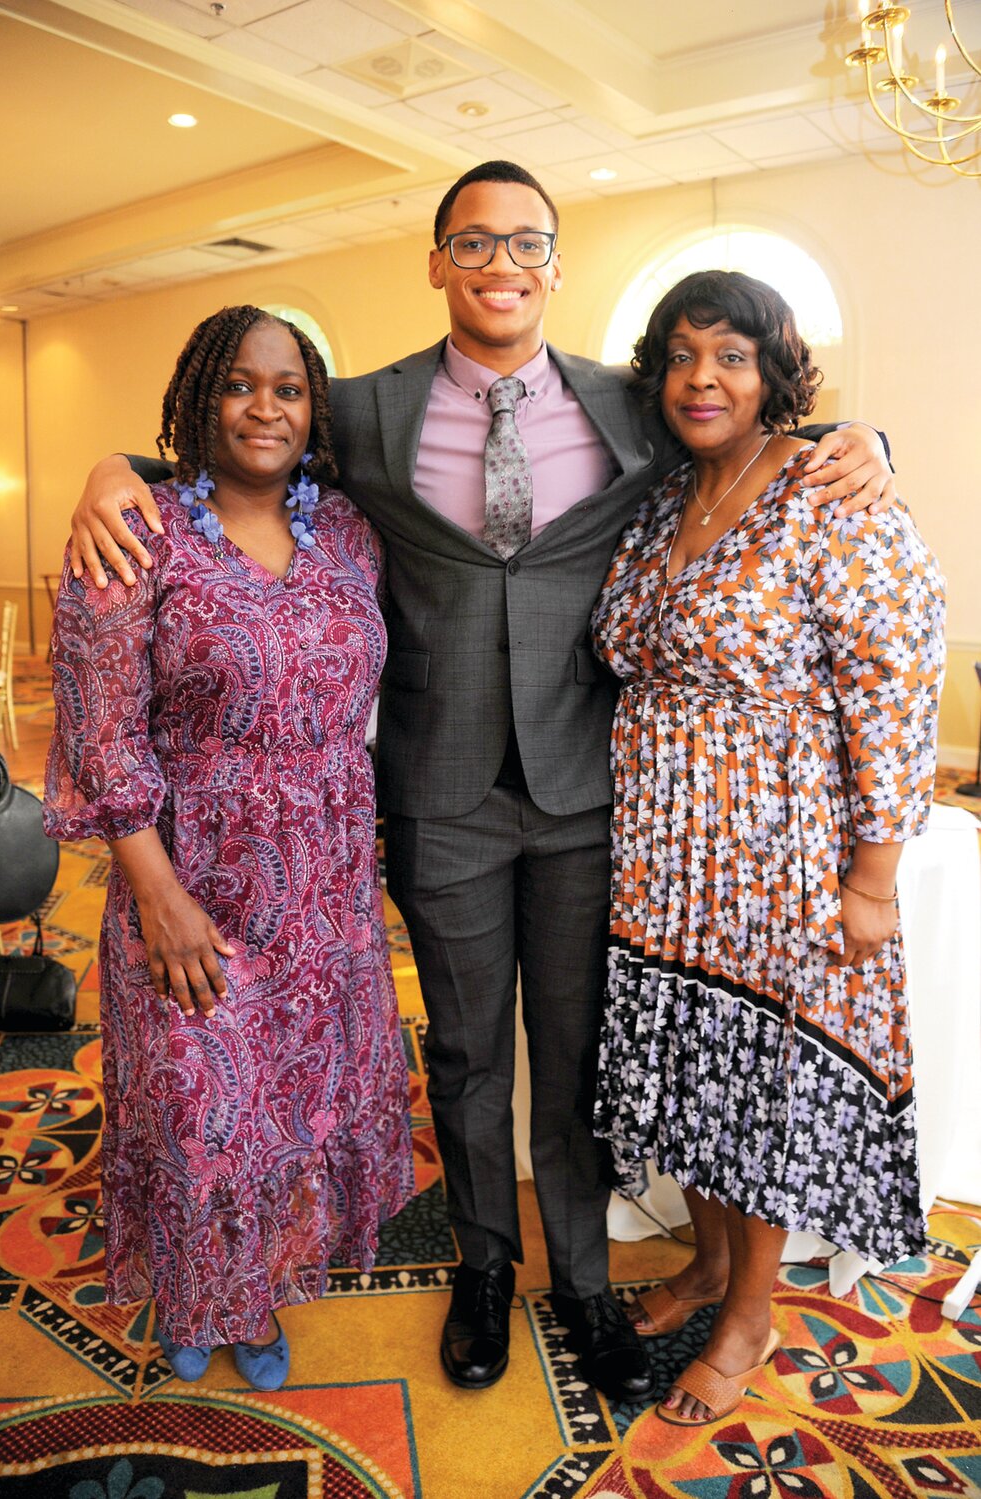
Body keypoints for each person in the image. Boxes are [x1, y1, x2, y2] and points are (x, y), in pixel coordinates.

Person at [67, 162, 895, 1402]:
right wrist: (109, 466)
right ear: (440, 261)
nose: (500, 261)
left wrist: (864, 441)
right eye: (473, 240)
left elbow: (757, 422)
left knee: (569, 1051)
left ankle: (578, 1278)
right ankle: (483, 1268)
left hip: (584, 790)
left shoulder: (633, 400)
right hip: (434, 787)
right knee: (461, 1052)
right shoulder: (367, 408)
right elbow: (242, 431)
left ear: (552, 265)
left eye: (525, 242)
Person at [590, 269, 945, 1426]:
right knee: (694, 1079)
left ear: (773, 372)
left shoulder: (826, 489)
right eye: (683, 354)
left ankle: (749, 1310)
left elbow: (897, 679)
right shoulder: (656, 499)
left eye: (731, 355)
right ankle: (701, 1260)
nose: (704, 377)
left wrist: (872, 877)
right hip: (660, 853)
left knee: (760, 1093)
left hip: (774, 856)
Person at [44, 306, 414, 1390]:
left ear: (315, 409)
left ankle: (253, 1288)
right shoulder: (135, 529)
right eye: (240, 385)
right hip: (187, 865)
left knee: (294, 1092)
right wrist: (154, 890)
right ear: (199, 398)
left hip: (328, 873)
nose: (265, 407)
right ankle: (201, 1286)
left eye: (289, 388)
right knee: (197, 1095)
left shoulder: (351, 528)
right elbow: (99, 728)